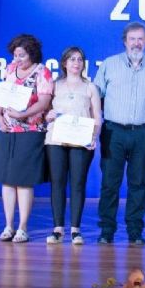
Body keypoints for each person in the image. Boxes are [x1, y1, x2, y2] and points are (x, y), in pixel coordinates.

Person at [93, 22, 145, 246]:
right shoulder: (109, 65)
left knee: (138, 183)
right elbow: (96, 95)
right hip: (113, 131)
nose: (136, 43)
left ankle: (135, 231)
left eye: (140, 39)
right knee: (109, 183)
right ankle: (107, 230)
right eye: (132, 39)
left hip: (143, 132)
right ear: (125, 41)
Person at [0, 34, 53, 243]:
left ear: (32, 54)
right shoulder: (9, 69)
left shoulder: (42, 72)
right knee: (7, 179)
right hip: (8, 130)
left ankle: (23, 227)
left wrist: (22, 115)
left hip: (30, 130)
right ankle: (8, 226)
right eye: (15, 55)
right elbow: (3, 96)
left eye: (22, 55)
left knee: (23, 181)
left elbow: (43, 103)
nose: (17, 59)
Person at [44, 47, 102, 245]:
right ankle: (58, 228)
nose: (76, 63)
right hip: (55, 139)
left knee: (77, 184)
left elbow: (97, 117)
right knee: (57, 183)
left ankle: (76, 230)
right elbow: (45, 111)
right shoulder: (54, 85)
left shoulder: (90, 87)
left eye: (79, 59)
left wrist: (94, 136)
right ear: (64, 63)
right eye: (71, 59)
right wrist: (47, 115)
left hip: (81, 140)